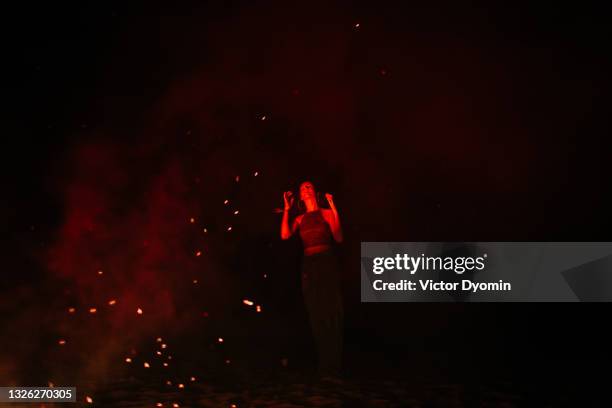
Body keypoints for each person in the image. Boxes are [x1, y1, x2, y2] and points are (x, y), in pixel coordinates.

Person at [280, 181, 344, 380]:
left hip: (326, 262)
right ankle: (324, 363)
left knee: (332, 310)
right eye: (302, 188)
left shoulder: (325, 213)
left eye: (309, 186)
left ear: (315, 192)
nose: (305, 189)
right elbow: (284, 235)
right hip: (309, 264)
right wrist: (286, 209)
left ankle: (336, 363)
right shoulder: (299, 218)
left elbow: (339, 237)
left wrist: (334, 208)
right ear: (300, 196)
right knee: (315, 311)